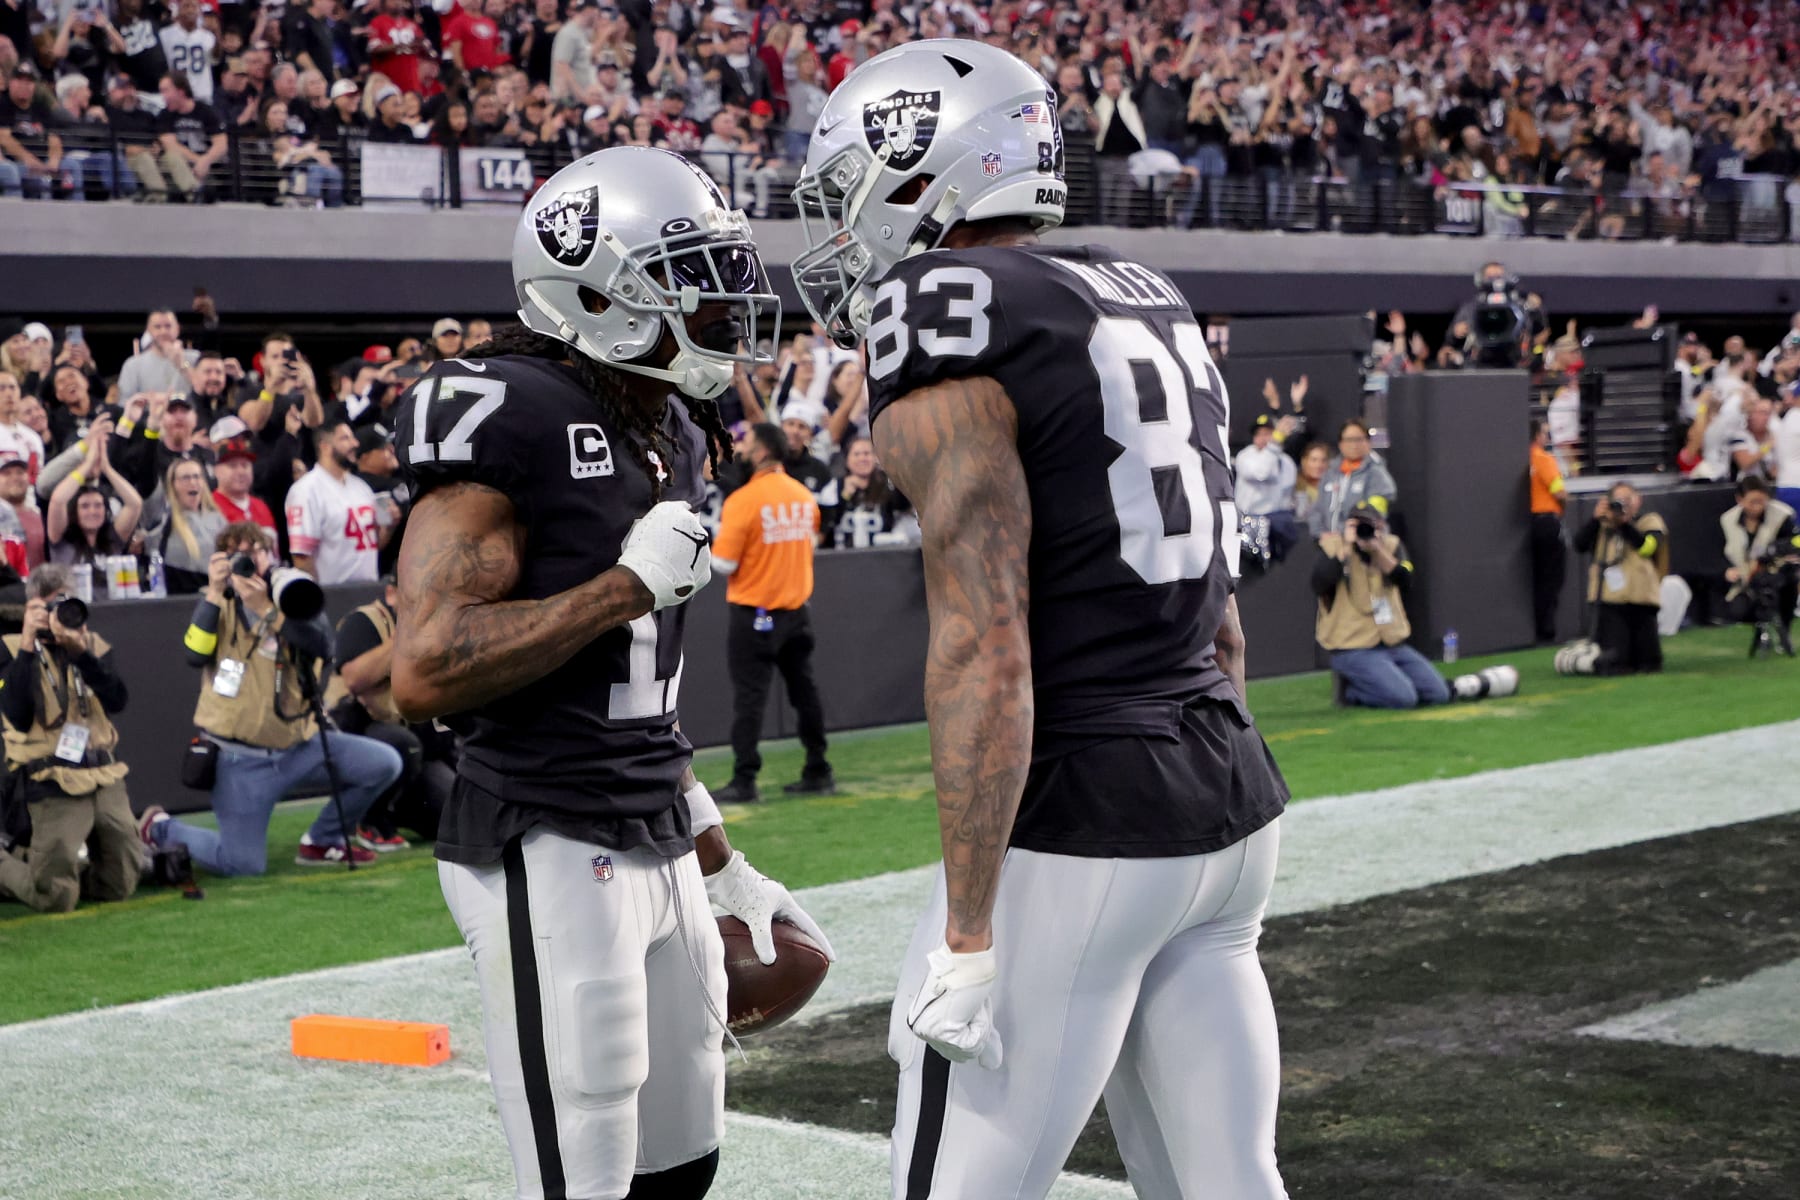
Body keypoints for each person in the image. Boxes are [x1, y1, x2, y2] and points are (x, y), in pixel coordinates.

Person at [793, 42, 1288, 1200]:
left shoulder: (943, 302)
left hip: (1084, 812)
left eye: (859, 183)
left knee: (958, 1177)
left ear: (934, 173)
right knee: (1226, 1180)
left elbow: (983, 637)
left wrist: (972, 929)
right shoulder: (1138, 288)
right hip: (1224, 791)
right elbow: (1220, 621)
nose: (848, 223)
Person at [390, 147, 827, 1200]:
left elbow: (638, 709)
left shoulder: (669, 421)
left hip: (655, 828)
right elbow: (426, 669)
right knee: (586, 1160)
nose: (726, 303)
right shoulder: (515, 411)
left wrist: (718, 859)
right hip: (544, 830)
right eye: (692, 276)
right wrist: (618, 590)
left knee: (685, 1156)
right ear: (598, 296)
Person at [138, 522, 403, 873]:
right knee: (242, 864)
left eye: (255, 552)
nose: (247, 562)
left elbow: (323, 646)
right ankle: (160, 827)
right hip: (241, 759)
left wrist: (266, 608)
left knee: (384, 763)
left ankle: (322, 840)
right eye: (238, 555)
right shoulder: (217, 601)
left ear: (269, 555)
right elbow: (194, 655)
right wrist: (215, 592)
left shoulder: (291, 594)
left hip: (299, 746)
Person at [0, 566, 135, 914]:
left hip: (103, 772)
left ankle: (48, 863)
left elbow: (118, 700)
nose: (58, 615)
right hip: (53, 777)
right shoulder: (11, 648)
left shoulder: (93, 645)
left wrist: (80, 653)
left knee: (119, 885)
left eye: (65, 603)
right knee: (55, 898)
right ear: (32, 608)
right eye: (49, 607)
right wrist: (28, 643)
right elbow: (15, 713)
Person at [709, 423, 832, 804]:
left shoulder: (743, 501)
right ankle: (818, 768)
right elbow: (809, 543)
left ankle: (745, 779)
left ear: (762, 452)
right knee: (805, 693)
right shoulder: (803, 496)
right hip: (796, 612)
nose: (740, 451)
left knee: (750, 699)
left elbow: (724, 564)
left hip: (754, 613)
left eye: (746, 445)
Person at [323, 572, 447, 850]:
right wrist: (400, 641)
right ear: (391, 593)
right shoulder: (363, 621)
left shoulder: (436, 625)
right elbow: (355, 678)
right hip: (364, 731)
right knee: (402, 744)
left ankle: (405, 810)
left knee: (455, 816)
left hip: (422, 740)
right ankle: (371, 819)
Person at [1312, 501, 1449, 709]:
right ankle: (1350, 692)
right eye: (1357, 525)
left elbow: (1406, 579)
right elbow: (1319, 583)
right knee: (1404, 699)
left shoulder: (1391, 545)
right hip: (1352, 647)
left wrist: (1378, 550)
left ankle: (1384, 681)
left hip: (1392, 643)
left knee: (1439, 694)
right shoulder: (1333, 547)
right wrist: (1346, 549)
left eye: (1369, 524)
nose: (1363, 531)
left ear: (1381, 526)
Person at [1572, 483, 1669, 675]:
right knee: (1616, 661)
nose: (1623, 505)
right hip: (1610, 602)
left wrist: (1624, 524)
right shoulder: (1602, 525)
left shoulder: (1650, 521)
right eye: (1618, 501)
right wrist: (1595, 520)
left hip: (1642, 599)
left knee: (1650, 662)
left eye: (1628, 500)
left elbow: (1647, 548)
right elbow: (1579, 545)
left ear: (1638, 500)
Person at [285, 418, 386, 583]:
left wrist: (388, 527)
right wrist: (319, 599)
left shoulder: (361, 487)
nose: (355, 443)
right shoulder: (305, 491)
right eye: (345, 438)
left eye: (352, 437)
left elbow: (372, 545)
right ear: (325, 446)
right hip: (333, 594)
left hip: (369, 590)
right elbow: (302, 557)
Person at [47, 427, 142, 569]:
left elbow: (135, 504)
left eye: (98, 505)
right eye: (85, 506)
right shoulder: (61, 538)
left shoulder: (113, 539)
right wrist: (88, 464)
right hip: (71, 592)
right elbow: (57, 500)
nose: (93, 511)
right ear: (74, 511)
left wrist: (107, 468)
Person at [1720, 475, 1799, 635]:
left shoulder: (1783, 515)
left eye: (1761, 501)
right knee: (1737, 611)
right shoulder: (1727, 520)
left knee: (1788, 582)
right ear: (1739, 499)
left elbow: (1790, 546)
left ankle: (1784, 628)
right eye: (1752, 502)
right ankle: (1762, 628)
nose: (1757, 507)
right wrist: (1728, 570)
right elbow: (1718, 551)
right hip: (1744, 579)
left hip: (1776, 574)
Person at [152, 458, 228, 593]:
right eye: (185, 478)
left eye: (197, 477)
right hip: (178, 597)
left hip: (216, 593)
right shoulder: (163, 518)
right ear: (173, 484)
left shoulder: (217, 518)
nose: (193, 482)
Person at [1312, 418, 1397, 538]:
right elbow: (1317, 509)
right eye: (1349, 440)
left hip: (1363, 541)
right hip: (1327, 540)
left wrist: (1347, 531)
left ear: (1368, 442)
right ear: (1340, 444)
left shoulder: (1377, 474)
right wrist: (1320, 533)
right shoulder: (1330, 473)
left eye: (1358, 439)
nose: (1354, 445)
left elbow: (1374, 513)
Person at [1235, 414, 1299, 562]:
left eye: (1268, 434)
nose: (1264, 438)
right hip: (1246, 525)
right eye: (1259, 434)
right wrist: (1274, 445)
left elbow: (1287, 495)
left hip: (1275, 525)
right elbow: (1262, 473)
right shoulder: (1245, 456)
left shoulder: (1286, 461)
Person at [1529, 417, 1567, 643]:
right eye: (1545, 433)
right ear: (1537, 435)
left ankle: (1541, 628)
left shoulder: (1523, 458)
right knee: (1553, 578)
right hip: (1548, 522)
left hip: (1532, 523)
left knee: (1539, 578)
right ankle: (1547, 630)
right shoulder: (1543, 458)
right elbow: (1559, 491)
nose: (1547, 437)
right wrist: (1563, 507)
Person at [211, 433, 277, 534]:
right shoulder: (211, 507)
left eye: (245, 465)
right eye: (232, 466)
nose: (241, 472)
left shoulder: (261, 506)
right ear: (216, 471)